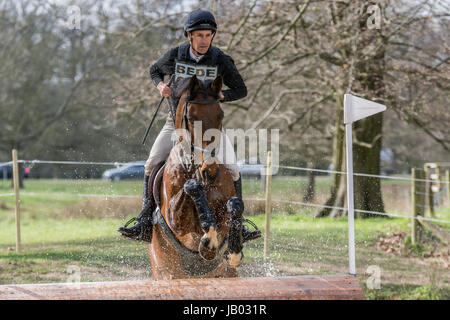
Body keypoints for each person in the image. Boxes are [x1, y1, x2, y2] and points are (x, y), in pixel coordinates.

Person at [118, 9, 260, 244]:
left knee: (233, 168)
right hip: (175, 123)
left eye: (208, 35)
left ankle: (239, 225)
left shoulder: (220, 59)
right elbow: (154, 70)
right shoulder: (176, 54)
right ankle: (144, 219)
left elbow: (241, 89)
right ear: (189, 36)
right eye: (199, 36)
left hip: (209, 127)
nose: (204, 40)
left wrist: (220, 97)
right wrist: (161, 85)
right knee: (151, 163)